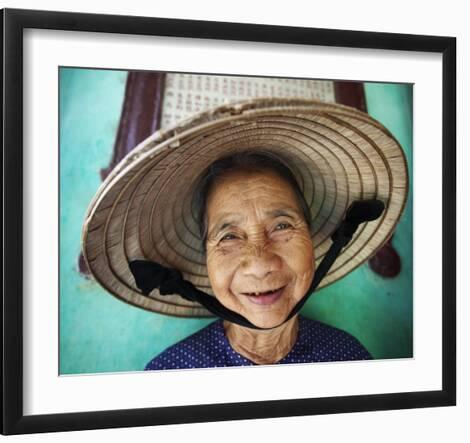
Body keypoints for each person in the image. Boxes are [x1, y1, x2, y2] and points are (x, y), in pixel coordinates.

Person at [82, 98, 408, 370]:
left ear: (312, 240)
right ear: (206, 259)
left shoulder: (349, 359)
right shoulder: (170, 373)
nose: (259, 264)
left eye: (282, 226)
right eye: (229, 237)